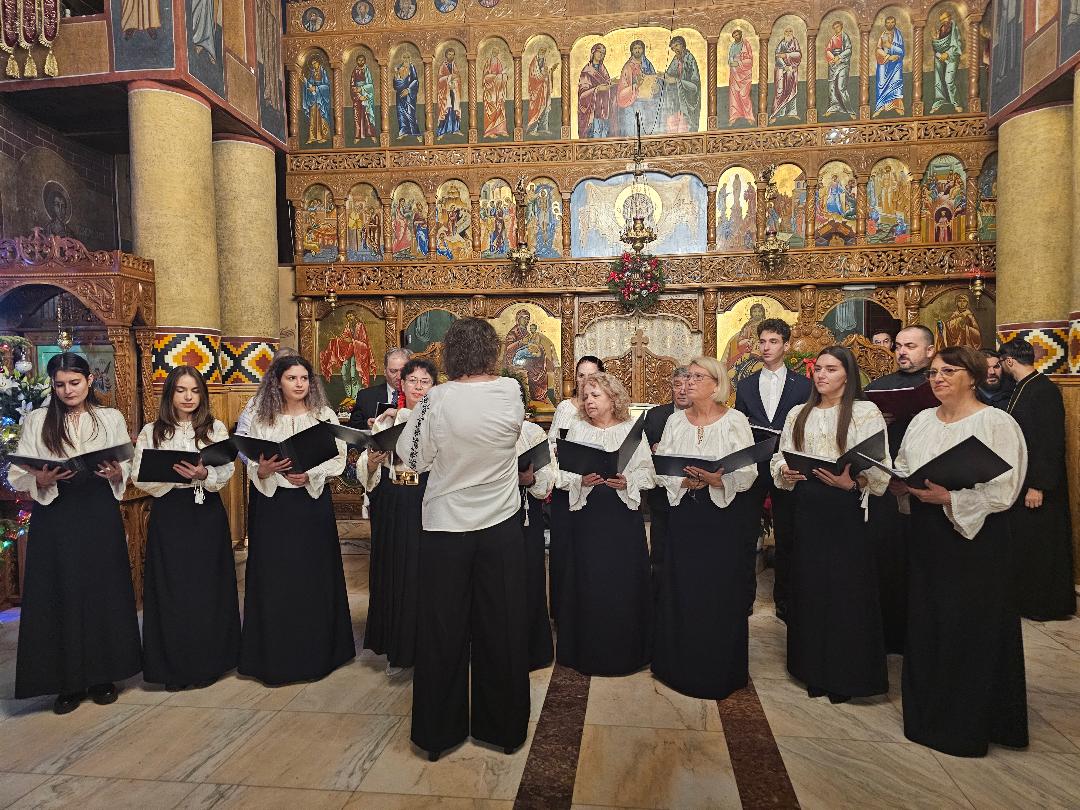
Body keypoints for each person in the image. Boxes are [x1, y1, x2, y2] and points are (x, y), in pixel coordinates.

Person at [397, 318, 530, 760]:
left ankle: (438, 734)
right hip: (501, 521)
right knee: (502, 625)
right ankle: (504, 730)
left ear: (451, 353)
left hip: (446, 526)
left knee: (443, 628)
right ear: (493, 351)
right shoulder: (511, 391)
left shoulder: (436, 398)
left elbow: (412, 457)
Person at [892, 347, 1028, 757]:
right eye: (933, 372)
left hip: (976, 539)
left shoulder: (996, 422)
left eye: (948, 371)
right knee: (929, 620)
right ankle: (927, 714)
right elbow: (904, 464)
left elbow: (1006, 488)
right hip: (927, 533)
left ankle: (966, 723)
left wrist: (951, 497)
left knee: (968, 625)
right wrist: (899, 483)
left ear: (973, 376)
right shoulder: (921, 420)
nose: (938, 378)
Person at [7, 352, 140, 714]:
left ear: (89, 381)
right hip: (56, 513)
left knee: (101, 589)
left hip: (98, 510)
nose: (68, 390)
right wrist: (39, 478)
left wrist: (118, 473)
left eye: (75, 383)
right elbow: (18, 471)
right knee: (59, 590)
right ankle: (66, 683)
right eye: (60, 384)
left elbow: (127, 463)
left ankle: (102, 676)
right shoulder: (38, 420)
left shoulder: (109, 417)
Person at [772, 346, 890, 703]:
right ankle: (811, 669)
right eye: (818, 368)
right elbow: (780, 455)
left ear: (847, 375)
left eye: (831, 369)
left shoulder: (865, 411)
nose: (821, 375)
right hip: (808, 505)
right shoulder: (799, 412)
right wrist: (785, 471)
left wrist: (853, 482)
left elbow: (880, 464)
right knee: (810, 586)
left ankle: (845, 674)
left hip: (846, 508)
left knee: (845, 590)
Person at [239, 356, 354, 685]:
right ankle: (274, 657)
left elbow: (338, 458)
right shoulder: (262, 418)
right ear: (278, 382)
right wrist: (263, 470)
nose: (299, 384)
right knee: (275, 579)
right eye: (292, 378)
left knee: (313, 577)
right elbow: (252, 459)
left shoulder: (323, 415)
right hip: (274, 508)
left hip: (311, 507)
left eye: (304, 378)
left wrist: (311, 474)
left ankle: (318, 655)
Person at [653, 357, 758, 699]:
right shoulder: (675, 421)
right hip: (685, 516)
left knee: (718, 590)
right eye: (688, 376)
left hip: (721, 519)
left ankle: (716, 669)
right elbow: (661, 468)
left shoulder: (735, 420)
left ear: (717, 384)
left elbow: (748, 471)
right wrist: (683, 482)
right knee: (683, 586)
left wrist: (718, 479)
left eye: (698, 376)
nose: (689, 381)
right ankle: (677, 666)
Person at [132, 366, 239, 691]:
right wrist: (173, 475)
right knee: (172, 587)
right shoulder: (152, 431)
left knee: (207, 586)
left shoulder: (214, 428)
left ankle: (209, 662)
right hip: (170, 513)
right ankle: (173, 668)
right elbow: (139, 474)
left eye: (194, 391)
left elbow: (228, 469)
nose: (189, 397)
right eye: (181, 390)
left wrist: (205, 475)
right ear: (170, 394)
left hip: (206, 513)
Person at [555, 372, 654, 676]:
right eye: (585, 396)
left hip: (623, 518)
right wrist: (580, 480)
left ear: (613, 398)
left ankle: (627, 653)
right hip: (588, 517)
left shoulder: (631, 431)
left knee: (622, 582)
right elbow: (560, 474)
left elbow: (649, 473)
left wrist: (628, 481)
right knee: (588, 580)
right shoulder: (577, 429)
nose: (589, 401)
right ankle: (587, 652)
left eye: (596, 395)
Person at [359, 358, 437, 675]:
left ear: (434, 387)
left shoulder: (438, 420)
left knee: (426, 575)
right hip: (394, 500)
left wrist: (402, 415)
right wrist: (373, 462)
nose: (418, 386)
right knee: (396, 572)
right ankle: (398, 650)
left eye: (425, 381)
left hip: (428, 500)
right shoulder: (384, 421)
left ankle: (429, 648)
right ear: (401, 384)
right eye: (412, 380)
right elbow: (367, 465)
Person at [864, 324, 935, 654]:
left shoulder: (939, 385)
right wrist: (877, 420)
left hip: (929, 485)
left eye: (911, 346)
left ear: (930, 350)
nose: (902, 352)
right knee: (888, 558)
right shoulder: (879, 387)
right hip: (886, 482)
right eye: (899, 346)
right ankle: (888, 633)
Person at [735, 318, 811, 621]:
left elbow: (806, 426)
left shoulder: (803, 385)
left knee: (788, 532)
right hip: (754, 465)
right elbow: (739, 425)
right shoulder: (746, 384)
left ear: (786, 345)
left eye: (774, 341)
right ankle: (744, 598)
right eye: (763, 342)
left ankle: (785, 600)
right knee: (745, 531)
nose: (766, 347)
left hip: (787, 466)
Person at [999, 338, 1075, 620]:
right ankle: (1028, 601)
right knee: (1029, 545)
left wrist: (1038, 486)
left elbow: (1049, 441)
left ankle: (1045, 605)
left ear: (1008, 361)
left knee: (1043, 546)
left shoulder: (1043, 390)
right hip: (1025, 480)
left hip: (1040, 486)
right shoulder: (1023, 387)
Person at [546, 355, 604, 620]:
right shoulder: (565, 408)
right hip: (567, 489)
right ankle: (562, 613)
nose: (585, 381)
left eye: (592, 376)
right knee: (564, 551)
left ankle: (590, 610)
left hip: (596, 489)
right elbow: (552, 446)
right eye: (581, 376)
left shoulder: (606, 409)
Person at [517, 412, 557, 671]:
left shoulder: (531, 433)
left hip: (525, 515)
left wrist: (530, 479)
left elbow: (546, 477)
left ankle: (533, 650)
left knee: (530, 576)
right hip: (489, 515)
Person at [643, 367, 691, 578]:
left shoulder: (704, 418)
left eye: (687, 385)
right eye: (677, 385)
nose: (682, 390)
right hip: (661, 495)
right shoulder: (655, 415)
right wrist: (653, 448)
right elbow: (641, 449)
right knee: (660, 550)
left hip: (693, 493)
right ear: (671, 388)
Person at [349, 348, 412, 429]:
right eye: (393, 371)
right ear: (385, 371)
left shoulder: (419, 395)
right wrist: (367, 424)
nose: (399, 376)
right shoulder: (365, 396)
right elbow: (353, 426)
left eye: (403, 371)